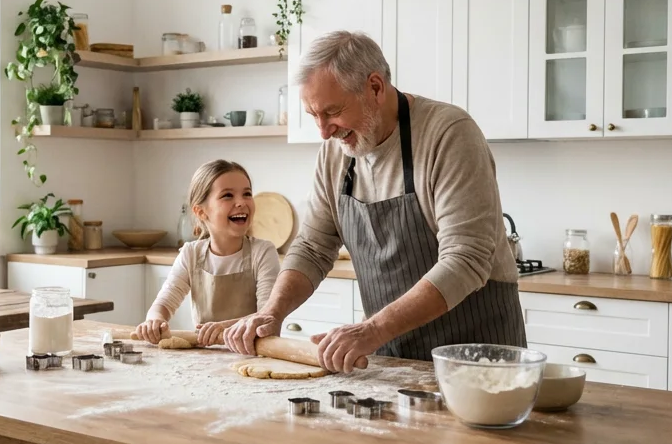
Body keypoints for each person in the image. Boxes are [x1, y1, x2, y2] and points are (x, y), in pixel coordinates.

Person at [224, 31, 525, 372]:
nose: (324, 132)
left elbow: (466, 259)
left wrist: (373, 329)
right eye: (313, 116)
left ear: (376, 87)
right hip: (392, 356)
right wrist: (271, 312)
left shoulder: (449, 134)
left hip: (476, 357)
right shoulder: (335, 153)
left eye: (332, 112)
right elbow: (312, 247)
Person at [136, 159, 281, 346]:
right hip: (206, 356)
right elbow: (163, 303)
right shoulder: (191, 254)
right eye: (228, 195)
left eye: (247, 194)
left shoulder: (262, 253)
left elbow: (266, 317)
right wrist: (154, 320)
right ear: (201, 212)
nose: (241, 202)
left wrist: (225, 328)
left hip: (252, 353)